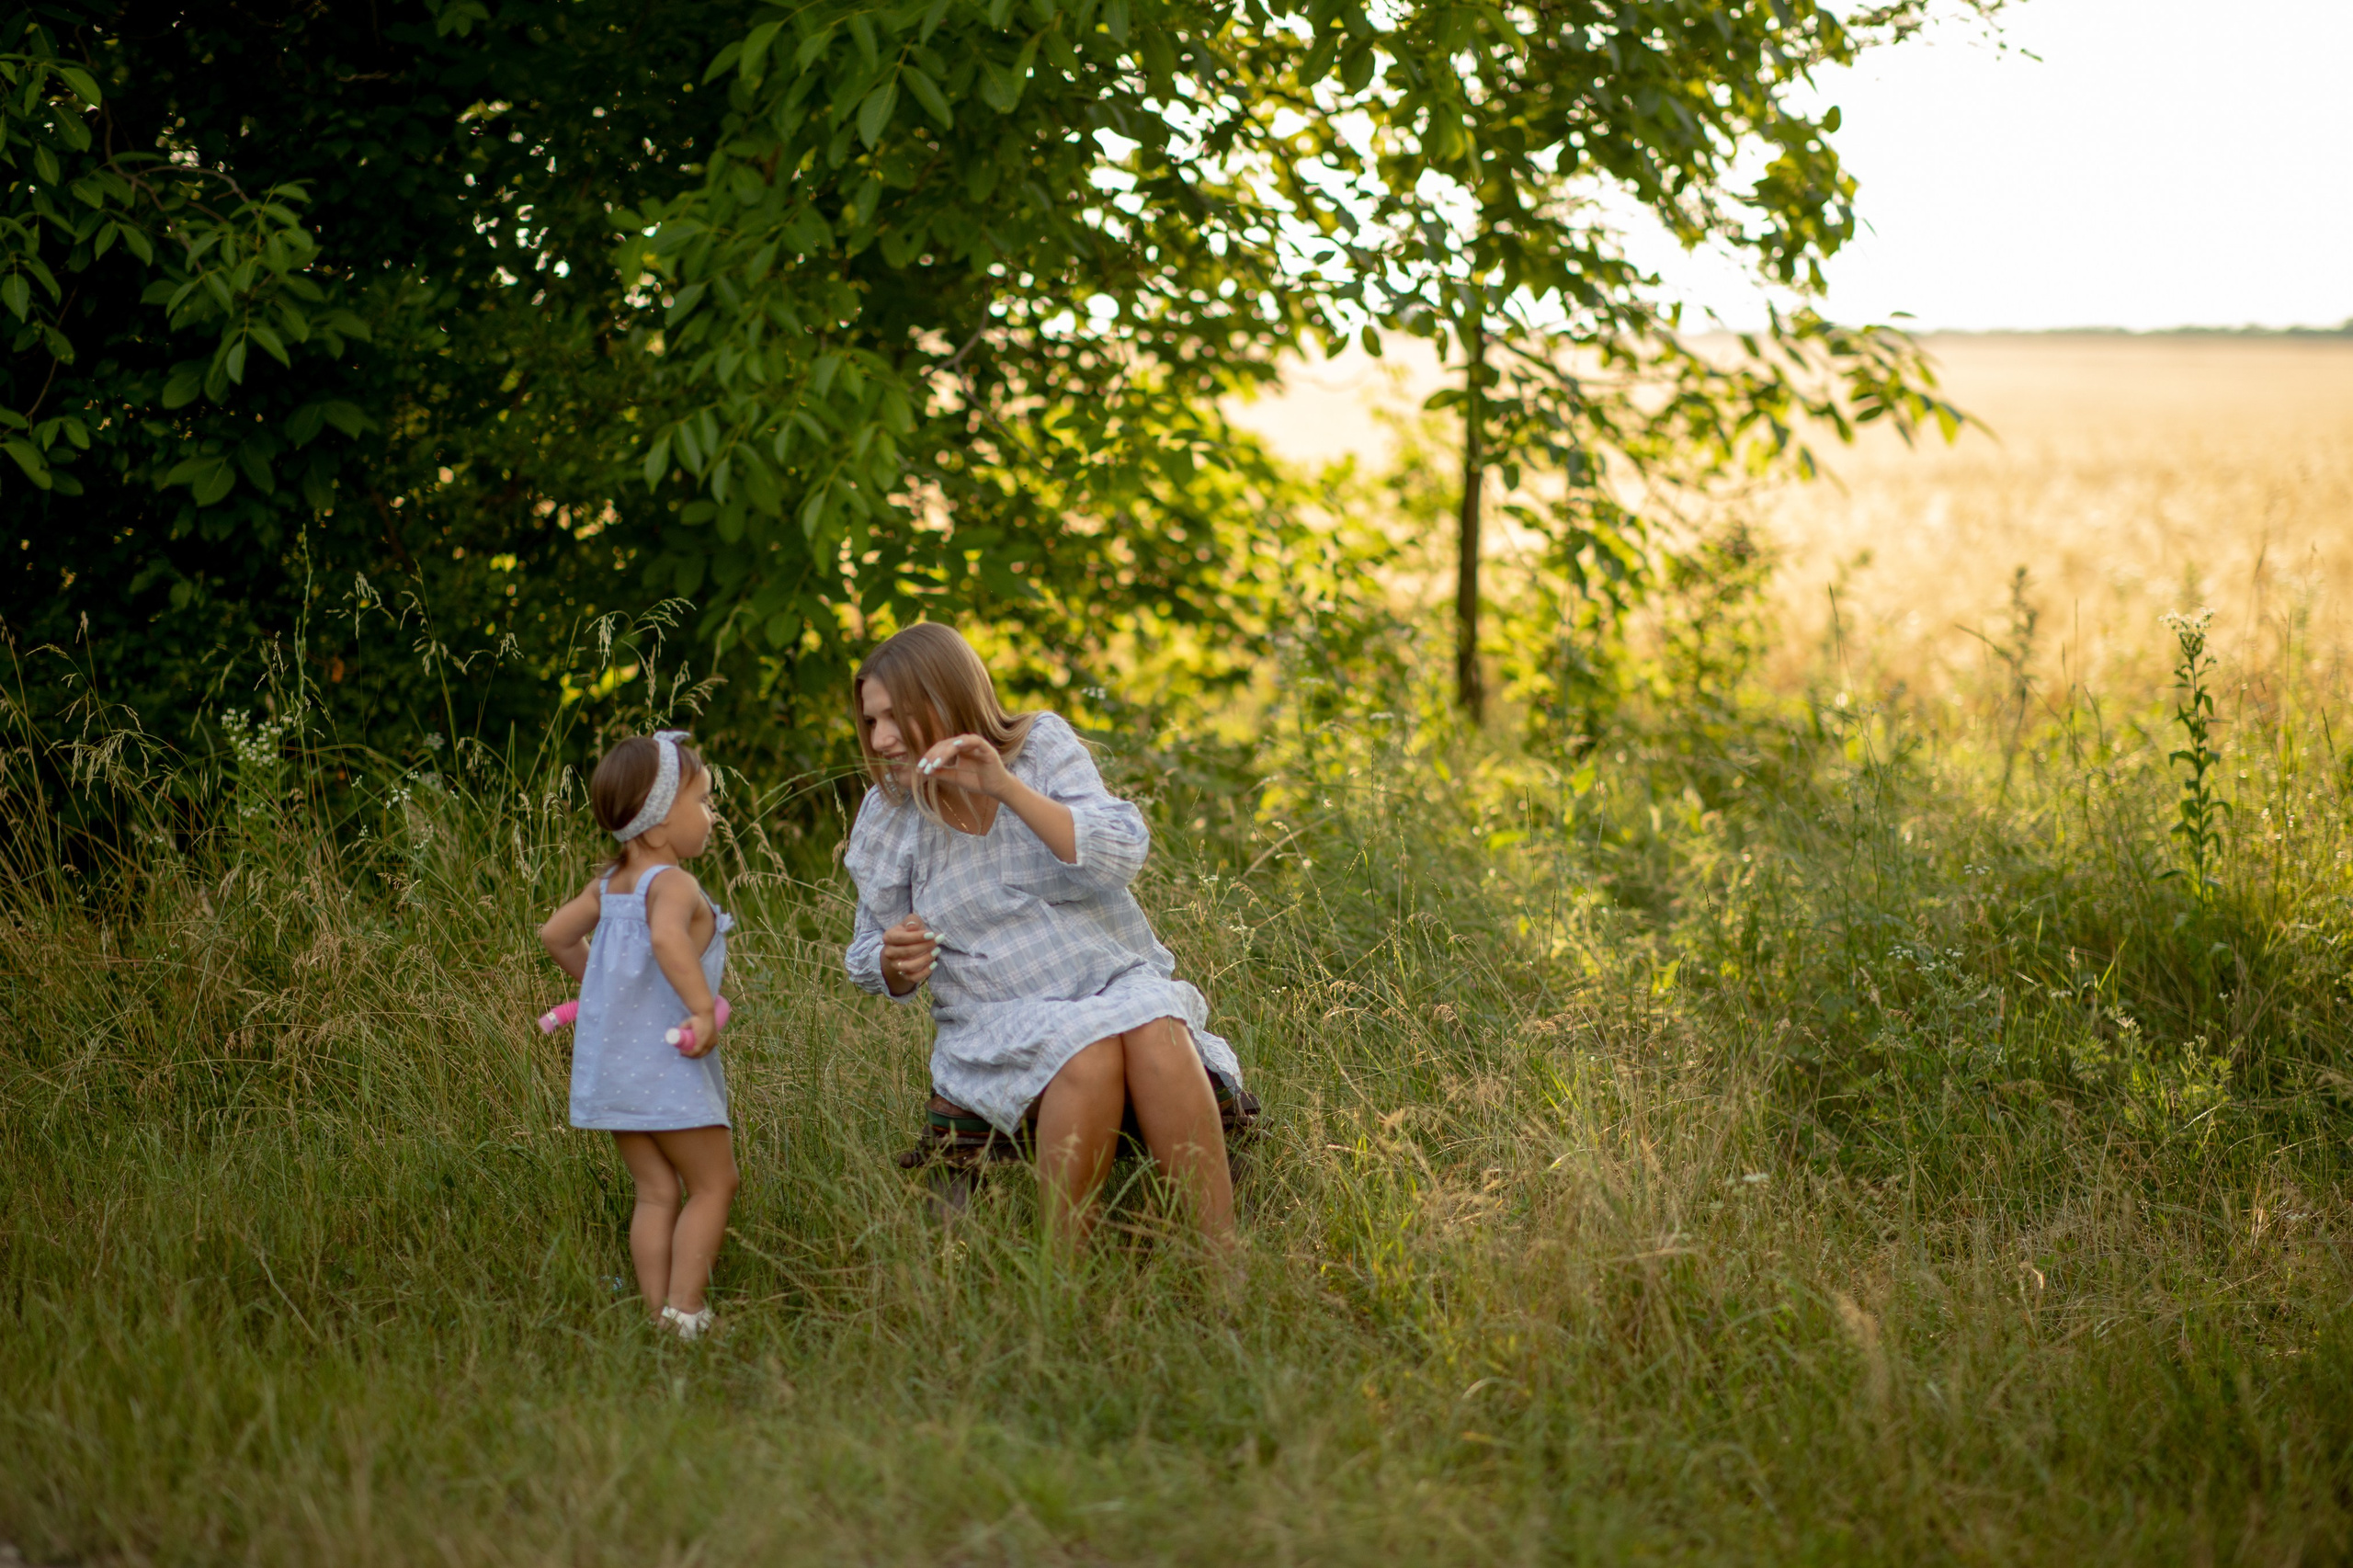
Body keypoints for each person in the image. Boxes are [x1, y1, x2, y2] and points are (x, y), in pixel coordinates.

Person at [842, 622, 1243, 1249]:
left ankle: (1224, 1269)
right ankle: (1064, 1278)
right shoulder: (890, 811)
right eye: (871, 722)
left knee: (1157, 1023)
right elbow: (867, 952)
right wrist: (894, 960)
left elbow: (1119, 855)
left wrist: (1003, 786)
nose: (881, 738)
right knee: (1087, 1049)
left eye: (895, 716)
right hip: (998, 1015)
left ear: (944, 698)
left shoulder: (1041, 747)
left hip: (1111, 980)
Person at [539, 730, 739, 1339]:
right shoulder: (672, 883)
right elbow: (666, 940)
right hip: (668, 1064)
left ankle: (655, 1315)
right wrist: (702, 1011)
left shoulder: (609, 886)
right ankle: (686, 1313)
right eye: (702, 802)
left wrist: (603, 998)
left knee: (655, 1191)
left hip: (615, 1070)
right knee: (714, 1182)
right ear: (656, 828)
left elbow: (554, 935)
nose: (711, 815)